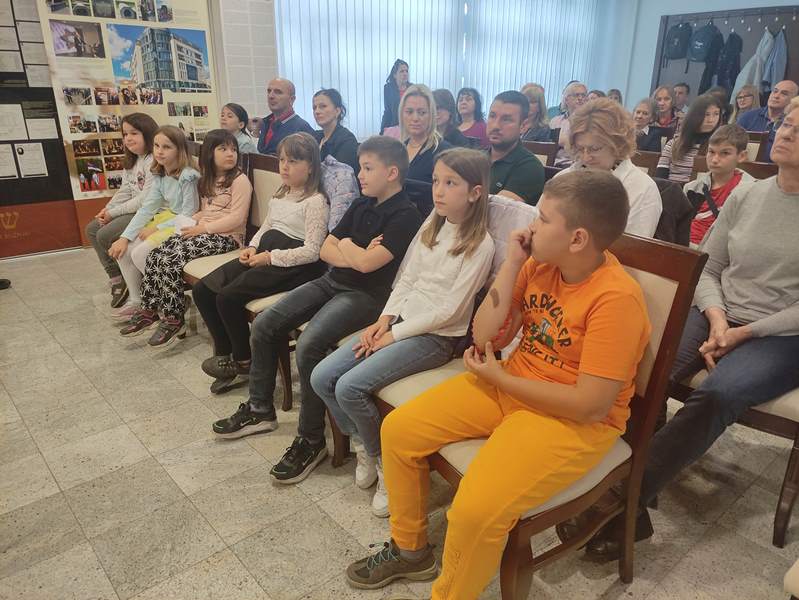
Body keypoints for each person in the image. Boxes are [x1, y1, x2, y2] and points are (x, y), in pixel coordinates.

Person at [344, 170, 651, 598]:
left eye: (543, 219)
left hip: (572, 422)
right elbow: (485, 335)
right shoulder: (540, 264)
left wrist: (501, 377)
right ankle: (410, 550)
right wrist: (512, 264)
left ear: (577, 239)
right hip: (512, 384)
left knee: (475, 511)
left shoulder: (616, 299)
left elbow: (590, 405)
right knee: (398, 430)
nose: (530, 226)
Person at [581, 99, 799, 563]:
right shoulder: (748, 194)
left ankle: (622, 495)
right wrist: (718, 317)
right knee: (644, 365)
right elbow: (709, 266)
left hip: (783, 333)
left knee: (720, 393)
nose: (785, 132)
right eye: (787, 123)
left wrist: (746, 332)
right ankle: (613, 484)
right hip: (720, 309)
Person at [211, 136, 423, 487]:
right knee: (264, 324)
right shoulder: (362, 203)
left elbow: (368, 267)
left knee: (309, 345)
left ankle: (311, 440)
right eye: (360, 167)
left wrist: (349, 249)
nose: (359, 174)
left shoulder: (406, 215)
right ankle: (260, 408)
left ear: (392, 172)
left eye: (367, 168)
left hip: (366, 297)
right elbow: (326, 249)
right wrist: (356, 250)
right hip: (332, 280)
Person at [311, 148, 495, 517]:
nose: (438, 190)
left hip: (436, 337)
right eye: (436, 181)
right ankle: (366, 446)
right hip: (399, 321)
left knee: (349, 387)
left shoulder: (481, 244)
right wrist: (384, 319)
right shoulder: (433, 224)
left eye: (450, 183)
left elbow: (450, 310)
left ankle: (384, 464)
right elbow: (407, 278)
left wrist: (394, 335)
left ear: (475, 192)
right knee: (321, 377)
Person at [196, 132, 328, 393]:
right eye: (282, 160)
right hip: (265, 251)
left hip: (292, 264)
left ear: (311, 166)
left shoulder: (316, 201)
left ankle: (244, 360)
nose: (285, 167)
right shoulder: (281, 193)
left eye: (293, 161)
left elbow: (312, 252)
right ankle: (224, 353)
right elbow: (267, 225)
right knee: (202, 290)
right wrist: (252, 247)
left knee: (227, 298)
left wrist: (269, 257)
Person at [118, 129, 251, 344]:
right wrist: (193, 221)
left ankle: (173, 317)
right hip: (204, 231)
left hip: (226, 238)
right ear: (209, 153)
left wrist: (203, 228)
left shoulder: (240, 180)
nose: (230, 154)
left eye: (233, 149)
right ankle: (150, 309)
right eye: (223, 149)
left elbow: (237, 218)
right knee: (156, 254)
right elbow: (205, 211)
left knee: (170, 259)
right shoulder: (209, 179)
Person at [108, 125, 199, 323]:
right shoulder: (160, 174)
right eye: (157, 146)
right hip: (166, 219)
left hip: (183, 224)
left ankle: (167, 302)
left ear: (180, 150)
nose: (159, 151)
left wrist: (156, 229)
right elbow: (147, 208)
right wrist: (124, 237)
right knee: (124, 251)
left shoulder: (187, 176)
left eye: (167, 147)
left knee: (140, 253)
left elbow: (189, 213)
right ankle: (138, 300)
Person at [559, 98, 662, 238]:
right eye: (580, 148)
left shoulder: (642, 189)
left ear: (618, 144)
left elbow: (632, 248)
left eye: (595, 149)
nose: (586, 157)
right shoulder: (563, 178)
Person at [85, 113, 157, 308]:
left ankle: (131, 280)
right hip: (132, 209)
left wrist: (113, 214)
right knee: (92, 229)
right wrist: (107, 209)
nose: (128, 138)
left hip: (147, 212)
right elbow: (125, 190)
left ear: (148, 133)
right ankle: (116, 278)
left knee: (104, 234)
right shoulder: (132, 160)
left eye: (134, 133)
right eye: (125, 134)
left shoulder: (153, 160)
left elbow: (145, 200)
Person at [683, 124, 754, 247]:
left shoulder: (750, 191)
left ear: (741, 156)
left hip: (720, 250)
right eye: (711, 152)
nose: (715, 159)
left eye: (725, 153)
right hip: (685, 246)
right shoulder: (691, 188)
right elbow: (680, 226)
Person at [400, 84, 452, 214]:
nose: (415, 118)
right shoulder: (397, 149)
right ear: (402, 114)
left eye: (422, 113)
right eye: (409, 112)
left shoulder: (443, 152)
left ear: (431, 115)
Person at [487, 90, 545, 205]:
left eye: (506, 119)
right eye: (492, 116)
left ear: (523, 126)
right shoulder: (477, 158)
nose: (495, 125)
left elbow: (495, 211)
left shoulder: (530, 167)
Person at [656, 94, 723, 184]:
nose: (711, 120)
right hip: (671, 190)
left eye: (716, 114)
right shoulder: (673, 143)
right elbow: (660, 179)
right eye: (706, 114)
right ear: (694, 116)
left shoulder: (720, 146)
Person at [737, 80, 799, 161]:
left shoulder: (792, 123)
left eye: (784, 94)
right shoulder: (748, 117)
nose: (776, 96)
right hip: (745, 165)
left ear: (793, 100)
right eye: (775, 91)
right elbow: (732, 143)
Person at [256, 78, 314, 155]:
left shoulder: (302, 128)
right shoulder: (265, 123)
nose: (270, 96)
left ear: (292, 99)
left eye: (278, 92)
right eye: (269, 91)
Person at [312, 88, 359, 173]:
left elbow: (339, 175)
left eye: (323, 106)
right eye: (314, 108)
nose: (317, 111)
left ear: (337, 111)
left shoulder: (347, 140)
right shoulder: (314, 137)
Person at [550, 81, 588, 165]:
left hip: (575, 165)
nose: (580, 98)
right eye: (576, 95)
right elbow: (549, 146)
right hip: (553, 163)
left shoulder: (590, 122)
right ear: (566, 99)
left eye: (583, 95)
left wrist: (564, 141)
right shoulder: (555, 121)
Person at [380, 59, 410, 134]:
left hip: (409, 127)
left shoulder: (412, 88)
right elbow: (387, 111)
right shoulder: (388, 88)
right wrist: (382, 131)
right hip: (394, 126)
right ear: (394, 75)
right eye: (401, 71)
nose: (405, 74)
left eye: (406, 71)